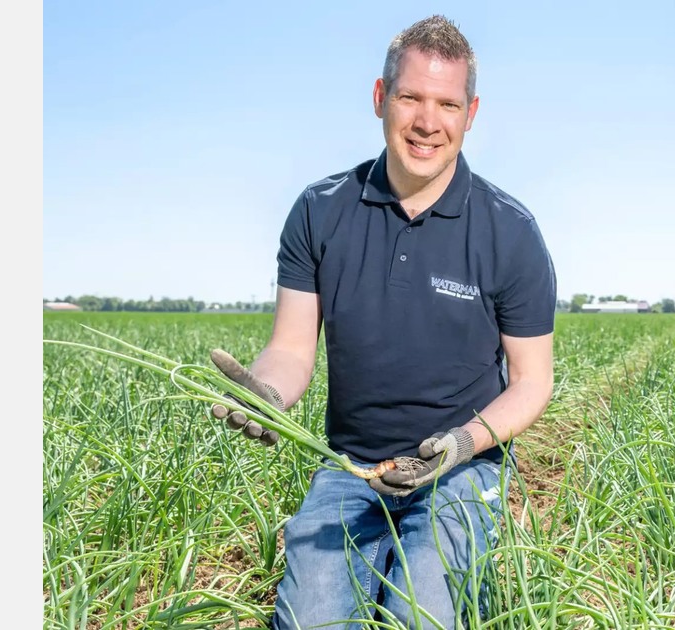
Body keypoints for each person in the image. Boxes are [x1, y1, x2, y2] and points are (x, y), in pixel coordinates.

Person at [207, 15, 557, 629]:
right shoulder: (320, 211)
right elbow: (290, 350)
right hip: (350, 467)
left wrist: (458, 446)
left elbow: (532, 381)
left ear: (470, 113)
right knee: (310, 620)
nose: (428, 121)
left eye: (447, 103)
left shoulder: (511, 232)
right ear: (379, 98)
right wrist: (267, 394)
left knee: (419, 616)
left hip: (460, 471)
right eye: (411, 97)